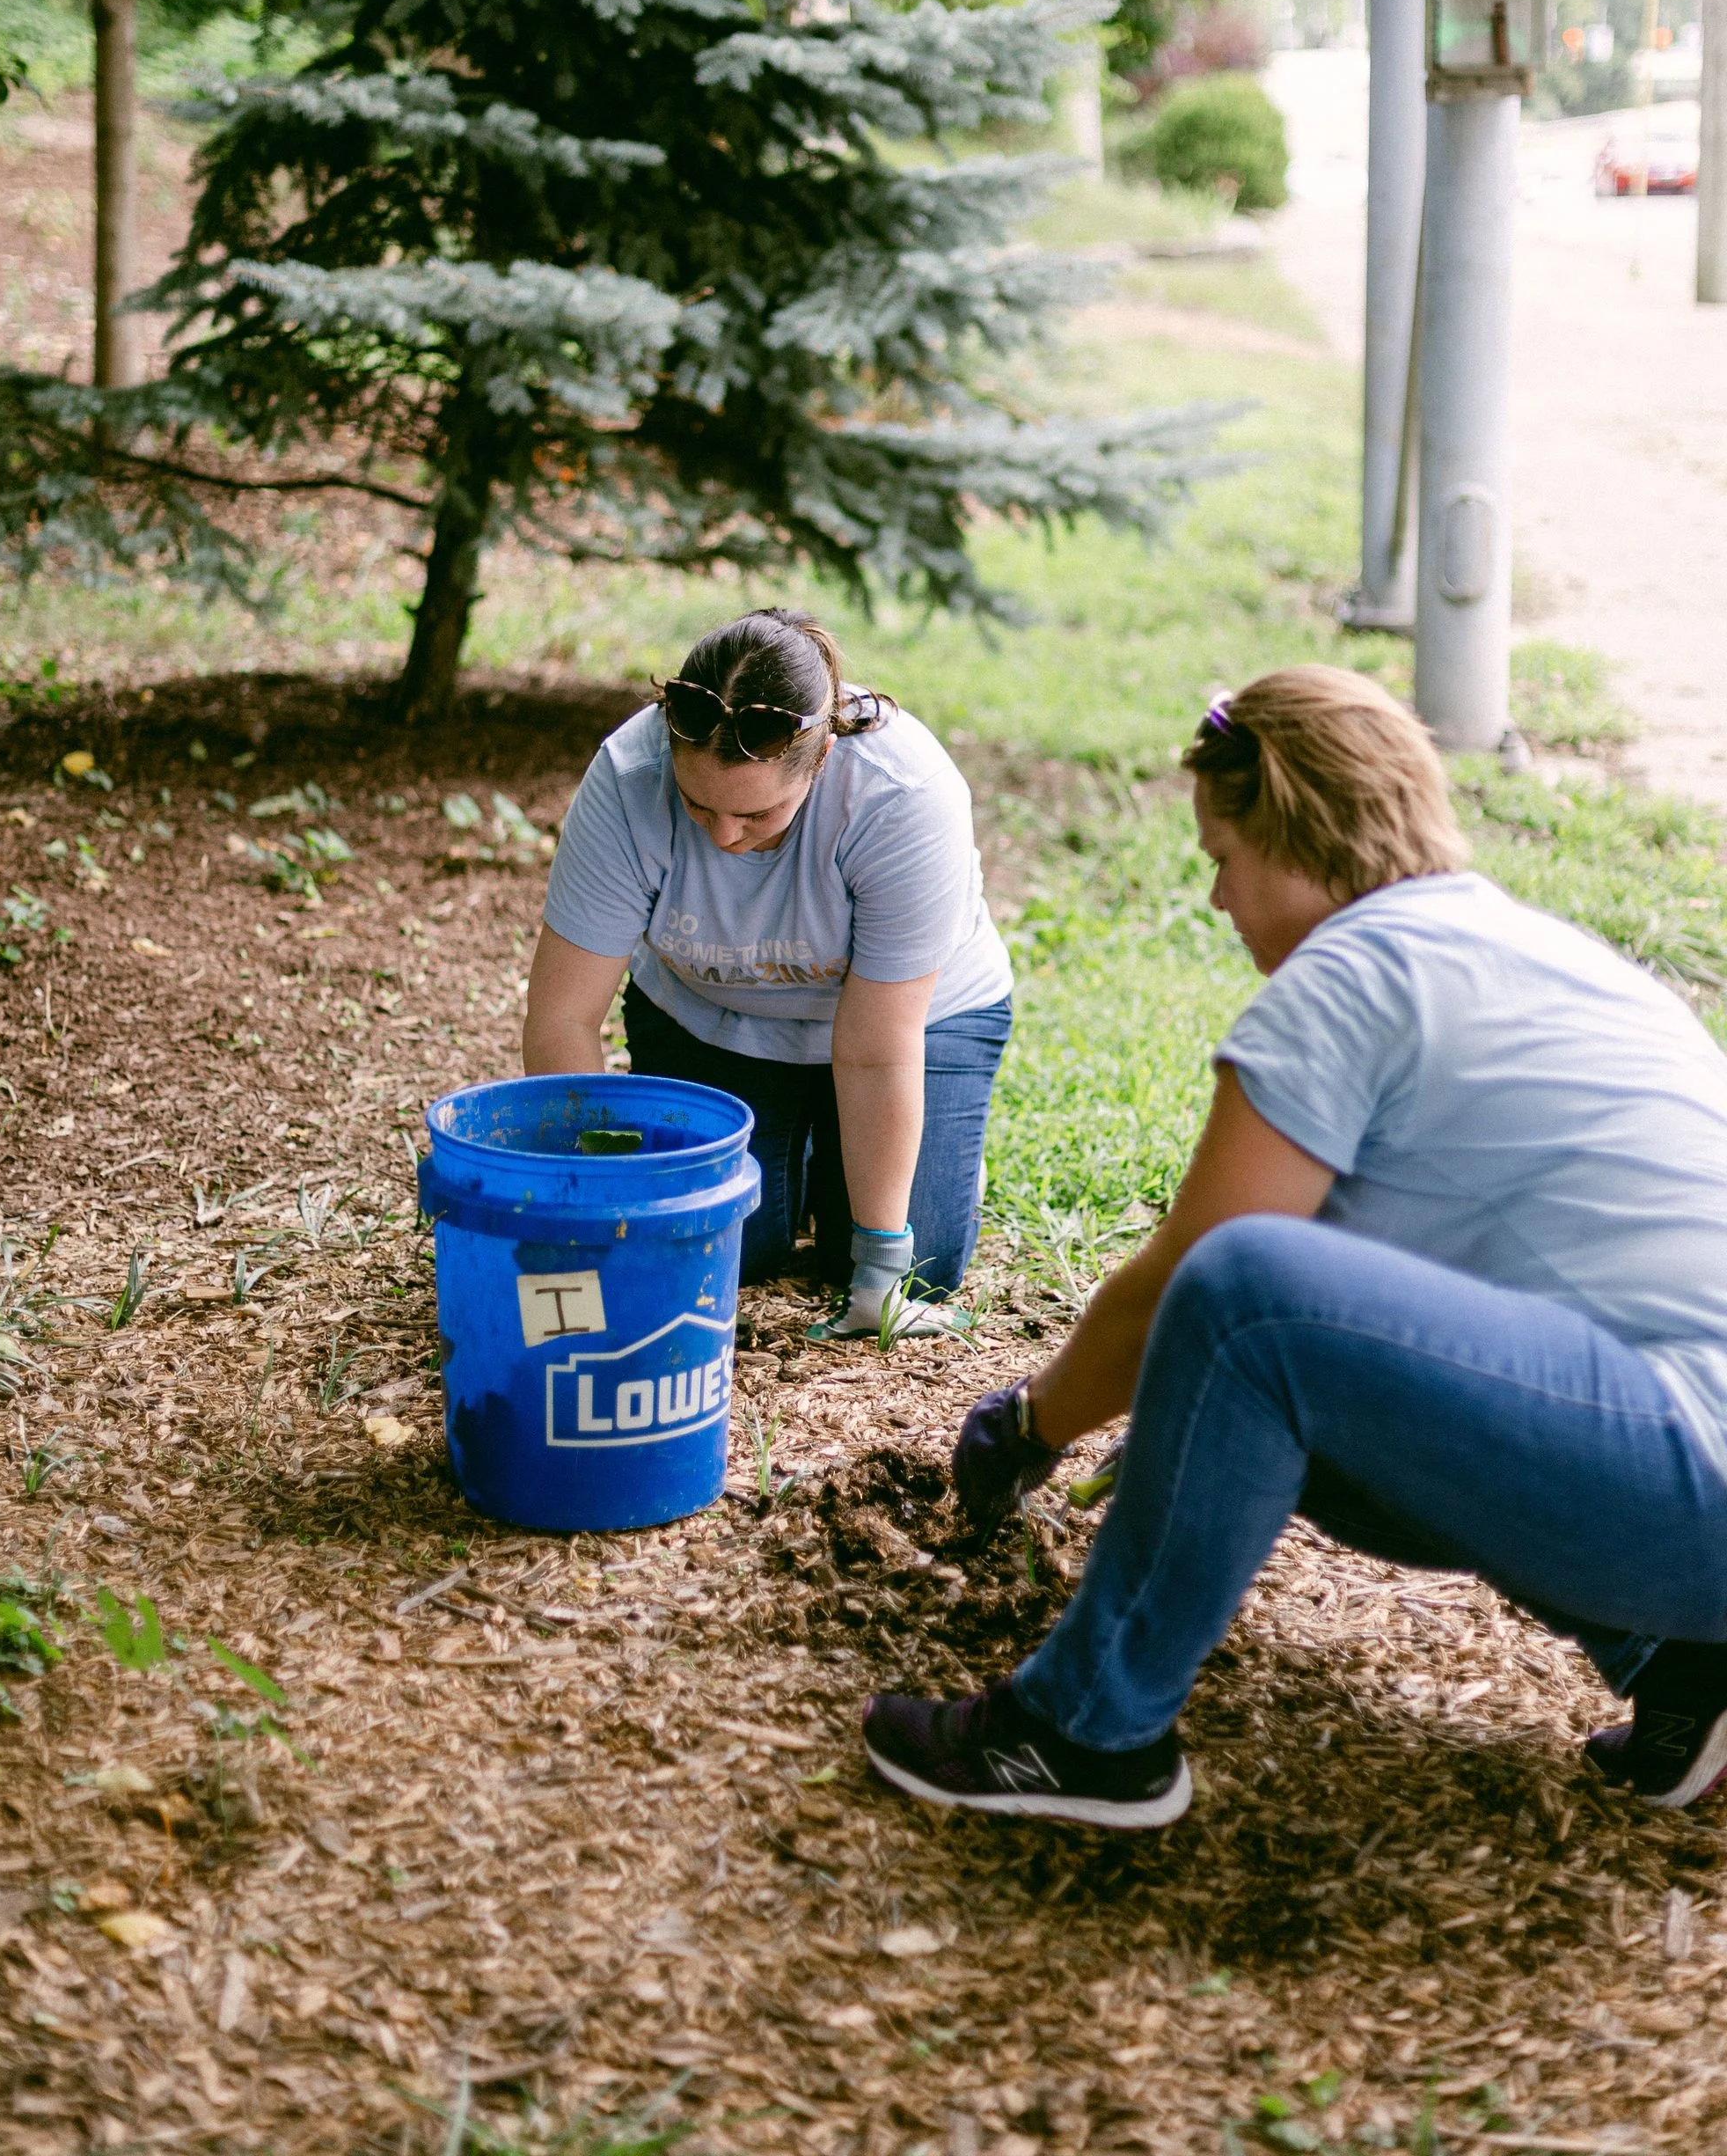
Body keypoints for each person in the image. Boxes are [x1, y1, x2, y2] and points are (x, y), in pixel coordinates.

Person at [862, 664, 1727, 1828]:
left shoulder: (1353, 973)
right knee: (1303, 1403)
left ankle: (1081, 1730)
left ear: (1289, 833)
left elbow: (1196, 1279)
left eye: (1220, 857)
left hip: (1689, 1470)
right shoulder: (1529, 951)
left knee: (1250, 1292)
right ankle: (1685, 1670)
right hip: (1675, 1472)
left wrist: (1031, 1424)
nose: (1218, 900)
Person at [522, 607, 1013, 1338]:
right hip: (713, 1014)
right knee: (717, 1249)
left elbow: (878, 1047)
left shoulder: (902, 793)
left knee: (921, 1263)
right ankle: (808, 1141)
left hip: (912, 1024)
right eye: (697, 805)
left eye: (758, 815)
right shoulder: (628, 776)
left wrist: (880, 1269)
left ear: (820, 761)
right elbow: (563, 1017)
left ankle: (842, 1145)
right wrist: (592, 1204)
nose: (722, 836)